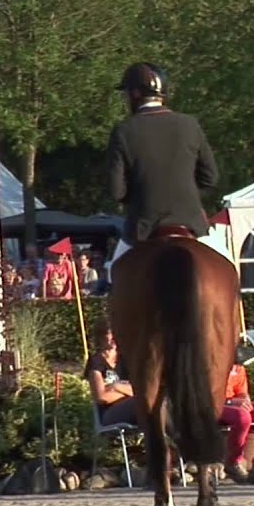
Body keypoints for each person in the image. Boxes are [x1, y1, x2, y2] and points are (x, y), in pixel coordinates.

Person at [104, 62, 219, 284]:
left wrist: (139, 195)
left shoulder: (124, 130)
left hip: (143, 227)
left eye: (127, 94)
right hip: (192, 222)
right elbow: (210, 177)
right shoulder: (190, 124)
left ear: (135, 94)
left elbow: (116, 191)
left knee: (114, 276)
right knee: (228, 272)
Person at [84, 318, 136, 427]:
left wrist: (115, 386)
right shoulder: (96, 362)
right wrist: (128, 391)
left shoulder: (125, 359)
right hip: (109, 413)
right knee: (141, 402)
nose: (114, 337)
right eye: (110, 333)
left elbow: (138, 390)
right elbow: (102, 397)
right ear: (101, 337)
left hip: (132, 407)